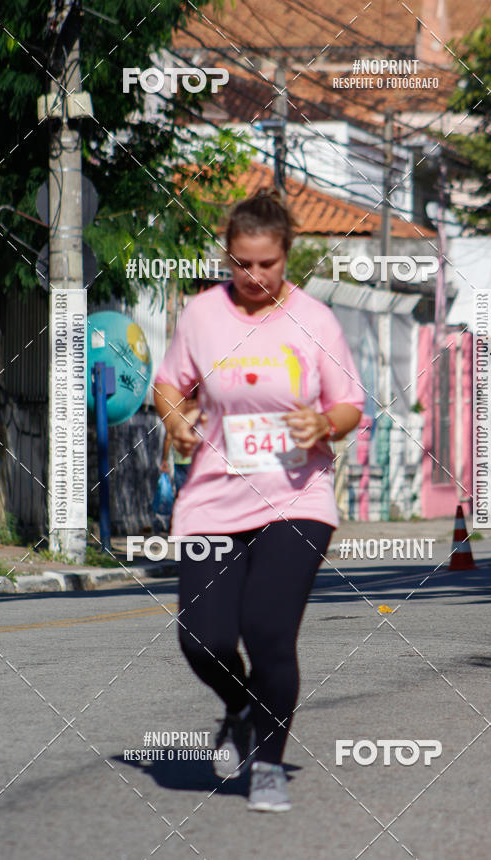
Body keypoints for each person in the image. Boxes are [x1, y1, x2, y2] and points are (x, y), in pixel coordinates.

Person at [153, 188, 363, 812]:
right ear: (228, 255)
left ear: (286, 256)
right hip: (214, 499)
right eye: (240, 263)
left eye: (265, 264)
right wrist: (174, 418)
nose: (252, 276)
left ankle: (267, 764)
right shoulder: (201, 315)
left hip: (295, 497)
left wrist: (325, 426)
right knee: (202, 638)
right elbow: (169, 383)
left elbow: (350, 402)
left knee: (268, 630)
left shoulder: (315, 320)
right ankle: (242, 706)